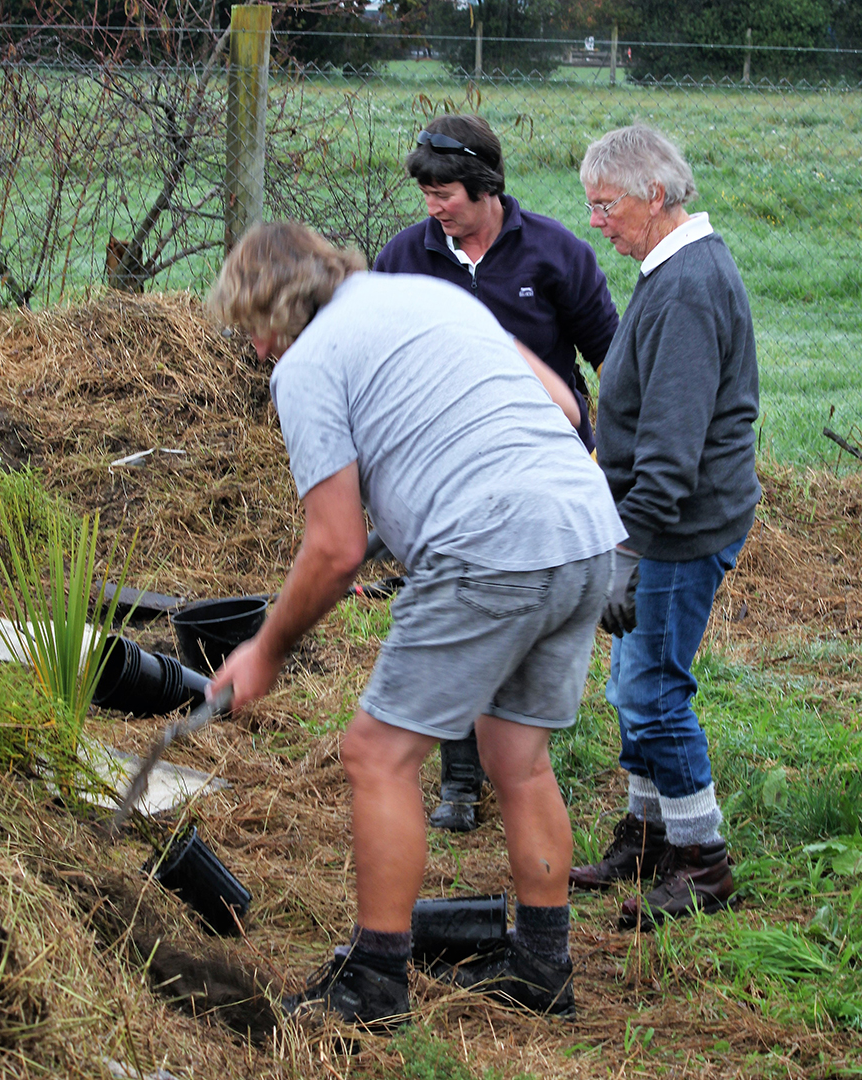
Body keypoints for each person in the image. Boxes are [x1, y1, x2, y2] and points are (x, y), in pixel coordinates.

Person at [206, 221, 626, 1028]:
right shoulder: (430, 297)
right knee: (518, 759)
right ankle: (542, 967)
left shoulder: (308, 363)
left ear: (275, 309)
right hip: (582, 530)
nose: (257, 350)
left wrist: (266, 651)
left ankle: (373, 984)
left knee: (375, 754)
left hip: (489, 543)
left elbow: (335, 547)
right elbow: (563, 400)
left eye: (254, 328)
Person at [374, 113, 619, 832]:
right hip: (445, 480)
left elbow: (613, 361)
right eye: (425, 193)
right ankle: (458, 783)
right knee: (452, 612)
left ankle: (518, 762)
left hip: (542, 480)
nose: (433, 206)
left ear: (485, 186)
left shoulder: (556, 254)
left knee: (518, 616)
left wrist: (610, 459)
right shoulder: (404, 258)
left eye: (444, 193)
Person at [569, 125, 761, 930]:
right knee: (631, 680)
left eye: (605, 205)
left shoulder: (685, 288)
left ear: (654, 195)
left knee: (651, 691)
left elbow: (672, 445)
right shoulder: (670, 269)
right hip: (658, 525)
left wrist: (628, 548)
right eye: (589, 206)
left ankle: (701, 859)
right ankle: (646, 835)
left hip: (677, 529)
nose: (595, 223)